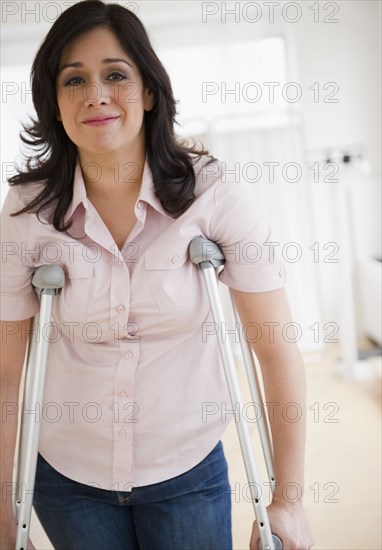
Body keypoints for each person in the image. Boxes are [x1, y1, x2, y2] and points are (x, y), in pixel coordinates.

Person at [0, 1, 314, 549]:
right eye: (74, 79)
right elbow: (4, 376)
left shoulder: (213, 193)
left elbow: (276, 352)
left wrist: (288, 501)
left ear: (148, 91)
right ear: (55, 101)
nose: (96, 94)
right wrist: (4, 514)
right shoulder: (26, 210)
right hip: (67, 473)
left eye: (115, 74)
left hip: (186, 470)